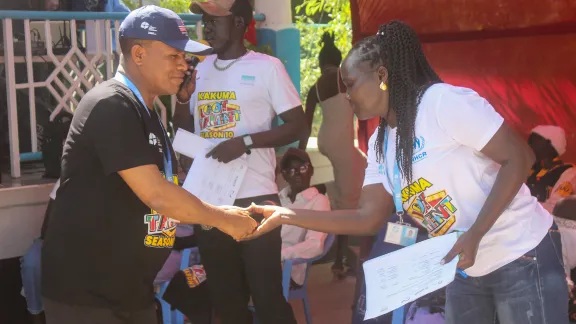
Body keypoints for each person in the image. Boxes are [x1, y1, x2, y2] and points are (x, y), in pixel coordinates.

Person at [246, 21, 568, 324]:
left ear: (382, 75)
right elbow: (366, 217)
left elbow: (520, 158)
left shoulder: (441, 104)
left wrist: (475, 234)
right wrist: (287, 215)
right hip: (465, 265)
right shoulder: (379, 143)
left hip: (520, 253)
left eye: (351, 84)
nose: (346, 96)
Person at [40, 6, 257, 324]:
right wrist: (223, 219)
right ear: (139, 54)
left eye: (185, 57)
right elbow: (156, 193)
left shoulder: (146, 112)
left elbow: (169, 180)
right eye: (174, 56)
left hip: (131, 292)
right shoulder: (111, 105)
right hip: (88, 299)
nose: (184, 66)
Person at [172, 1, 306, 323]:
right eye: (204, 21)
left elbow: (298, 125)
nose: (206, 27)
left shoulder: (267, 67)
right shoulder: (198, 70)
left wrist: (245, 142)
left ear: (239, 23)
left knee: (267, 298)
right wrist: (181, 98)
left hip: (256, 199)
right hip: (211, 201)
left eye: (215, 20)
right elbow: (182, 132)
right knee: (226, 300)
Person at [300, 32, 366, 279]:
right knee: (348, 203)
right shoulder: (344, 78)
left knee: (345, 190)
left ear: (319, 63)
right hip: (342, 144)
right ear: (339, 61)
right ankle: (341, 259)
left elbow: (307, 125)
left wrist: (300, 151)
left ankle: (321, 193)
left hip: (326, 141)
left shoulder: (316, 86)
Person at [278, 148, 330, 286]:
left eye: (302, 168)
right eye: (290, 170)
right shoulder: (277, 199)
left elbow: (315, 245)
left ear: (311, 170)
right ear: (284, 175)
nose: (297, 175)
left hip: (288, 270)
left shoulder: (318, 201)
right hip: (264, 263)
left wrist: (280, 255)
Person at [20, 179, 60, 324]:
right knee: (32, 263)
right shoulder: (68, 177)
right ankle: (35, 312)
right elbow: (46, 229)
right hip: (58, 240)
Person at [527, 125, 576, 215]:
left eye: (533, 141)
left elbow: (556, 206)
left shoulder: (569, 173)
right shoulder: (533, 170)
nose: (529, 144)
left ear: (549, 143)